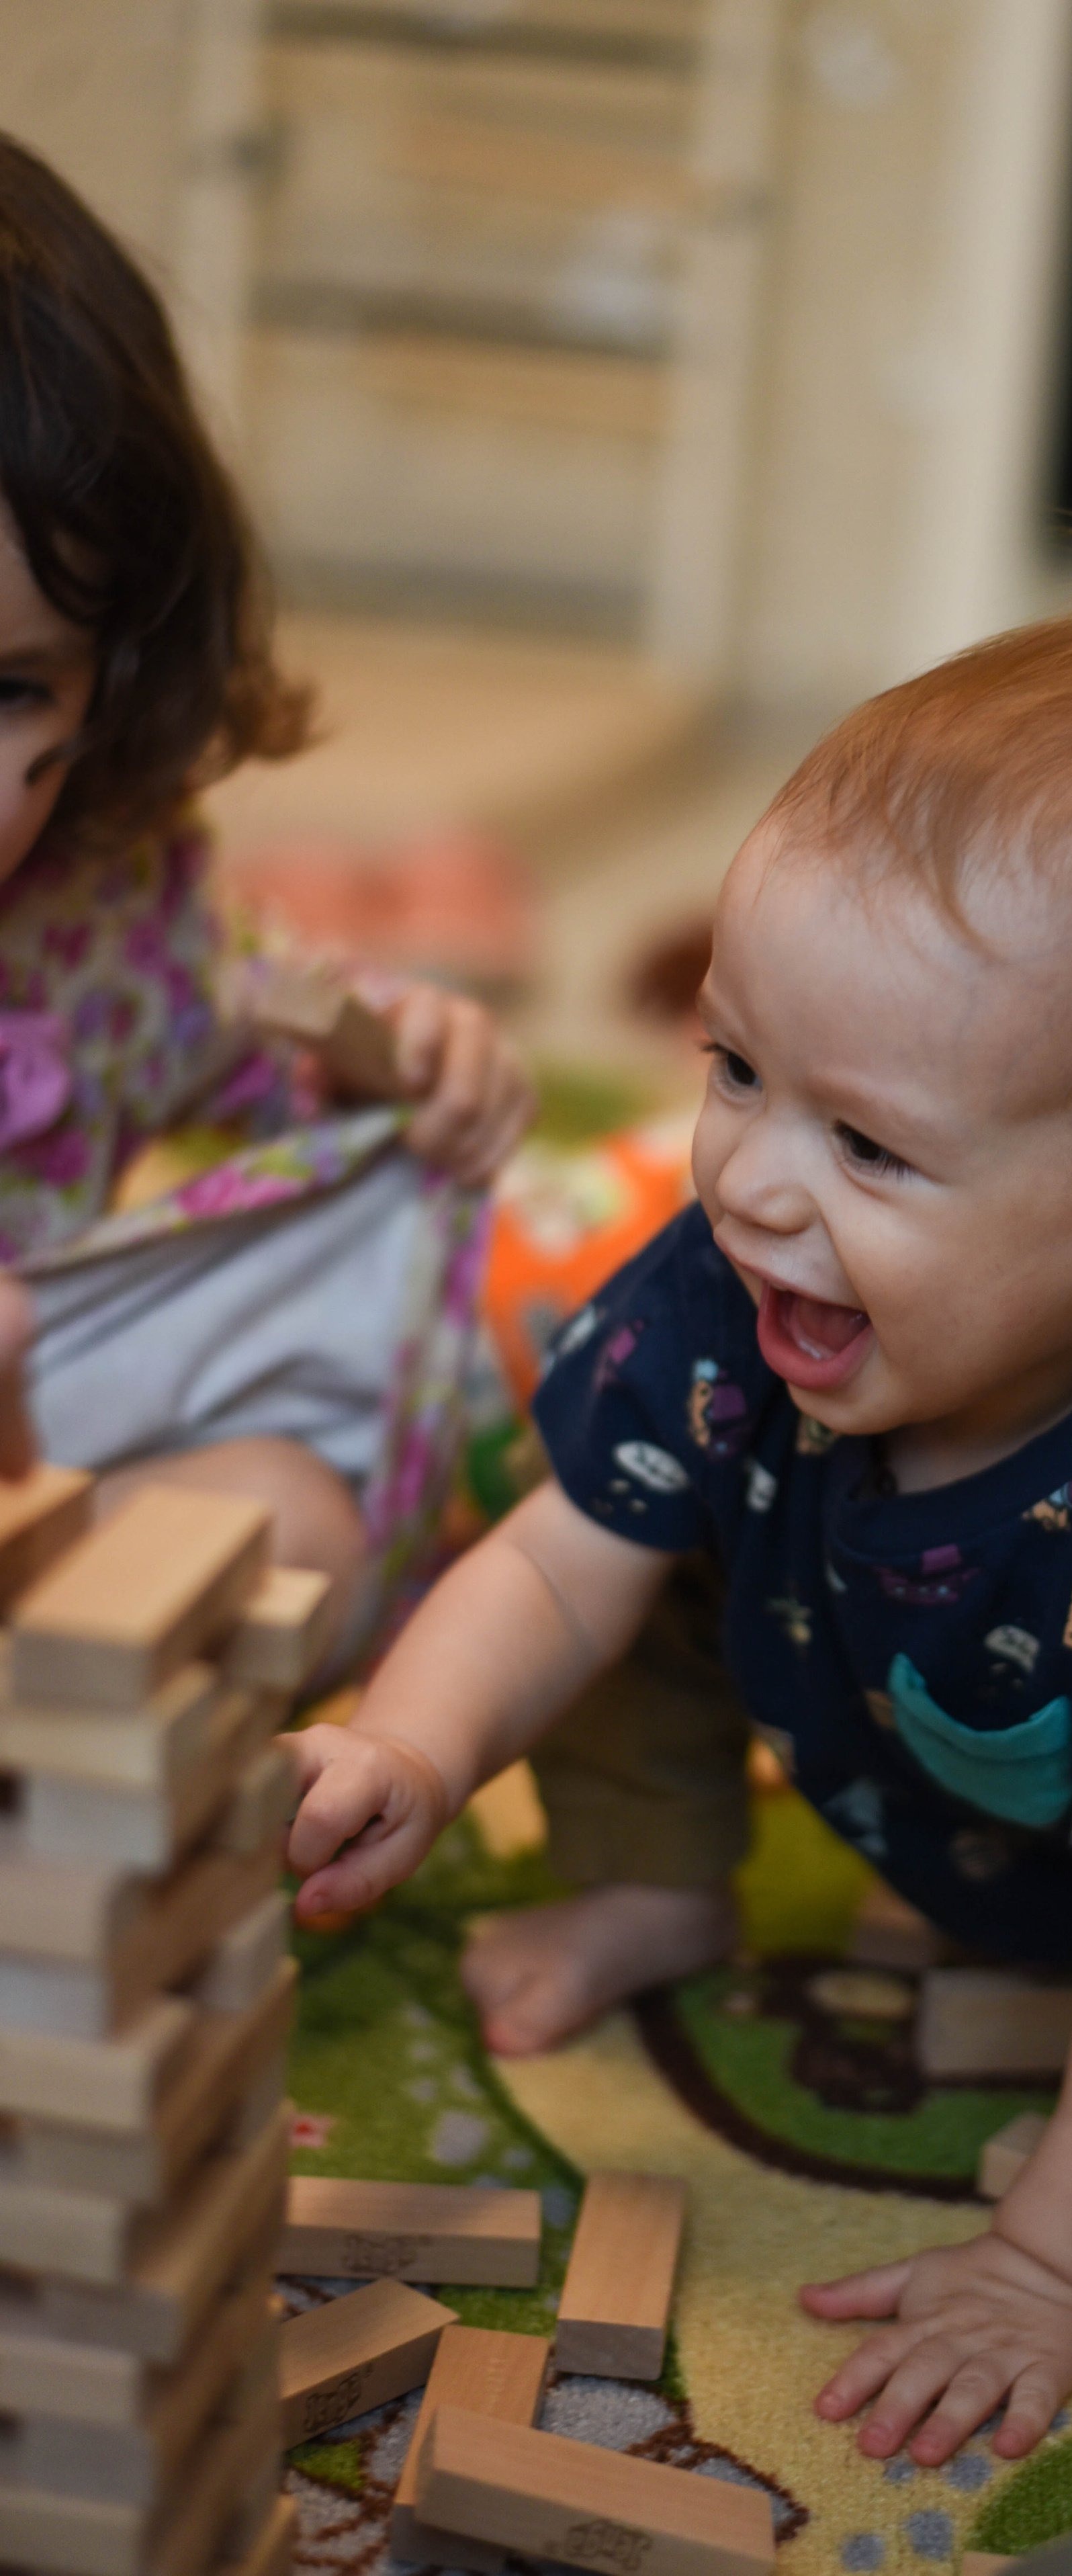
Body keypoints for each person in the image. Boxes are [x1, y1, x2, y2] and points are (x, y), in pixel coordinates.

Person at [282, 550, 1072, 2464]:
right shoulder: (743, 1277)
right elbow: (549, 1566)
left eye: (868, 1140)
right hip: (870, 1676)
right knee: (619, 1525)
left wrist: (1048, 2267)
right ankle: (651, 1881)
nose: (754, 1182)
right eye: (735, 1066)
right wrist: (417, 1742)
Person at [0, 134, 532, 1630]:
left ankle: (73, 1698)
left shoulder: (114, 912)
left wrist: (403, 1050)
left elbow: (275, 1026)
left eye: (9, 695)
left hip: (39, 1475)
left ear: (113, 677)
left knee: (300, 1527)